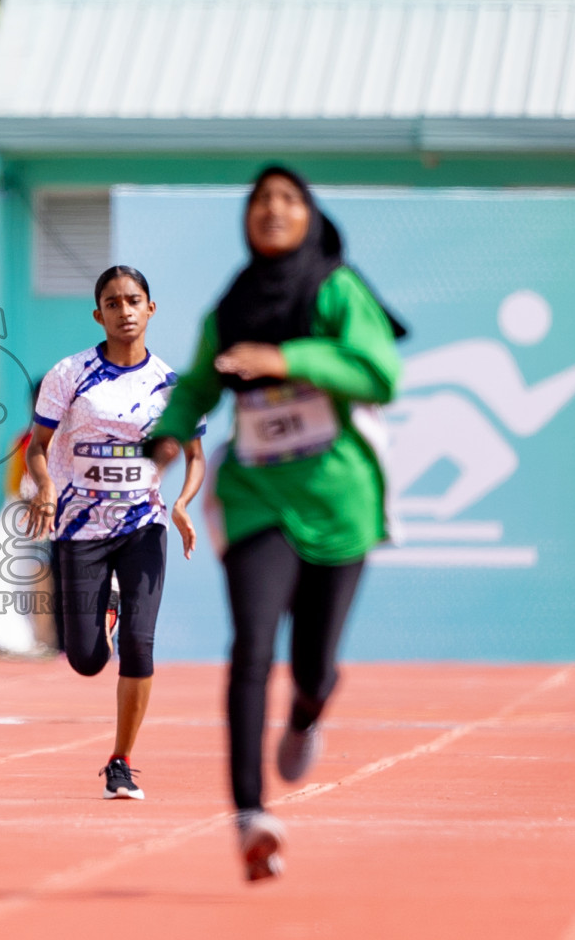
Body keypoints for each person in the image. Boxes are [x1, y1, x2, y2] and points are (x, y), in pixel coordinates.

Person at [149, 166, 402, 882]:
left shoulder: (337, 289)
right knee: (252, 645)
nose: (272, 209)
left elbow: (380, 372)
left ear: (310, 216)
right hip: (257, 494)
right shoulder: (232, 302)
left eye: (288, 199)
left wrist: (285, 358)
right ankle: (250, 814)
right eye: (260, 200)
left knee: (315, 663)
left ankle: (309, 710)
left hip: (338, 496)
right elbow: (199, 381)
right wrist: (168, 437)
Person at [25, 265, 206, 803]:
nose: (124, 311)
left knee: (140, 644)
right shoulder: (69, 374)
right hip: (79, 529)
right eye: (112, 302)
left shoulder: (172, 386)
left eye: (134, 301)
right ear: (98, 313)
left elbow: (193, 457)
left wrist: (182, 503)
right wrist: (45, 489)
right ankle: (104, 608)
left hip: (143, 527)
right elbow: (37, 446)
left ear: (151, 309)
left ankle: (121, 761)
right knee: (84, 660)